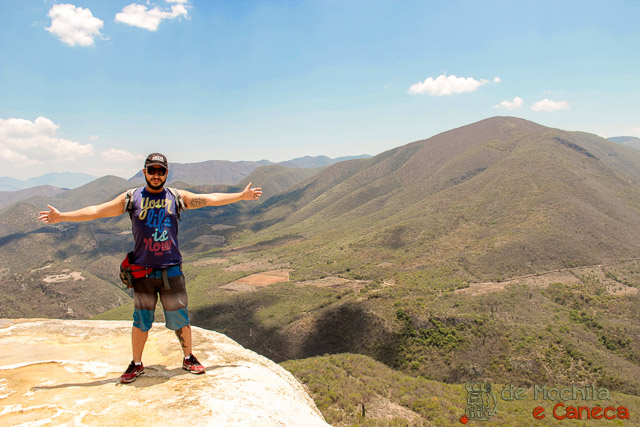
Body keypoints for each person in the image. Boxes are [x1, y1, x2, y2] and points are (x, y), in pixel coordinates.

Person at [38, 153, 262, 383]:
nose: (156, 175)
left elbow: (208, 199)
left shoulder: (176, 197)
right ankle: (136, 364)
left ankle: (188, 357)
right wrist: (62, 217)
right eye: (152, 170)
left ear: (166, 173)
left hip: (171, 269)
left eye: (161, 171)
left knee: (180, 318)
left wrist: (241, 196)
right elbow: (97, 210)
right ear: (144, 172)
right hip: (143, 271)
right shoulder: (130, 198)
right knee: (141, 320)